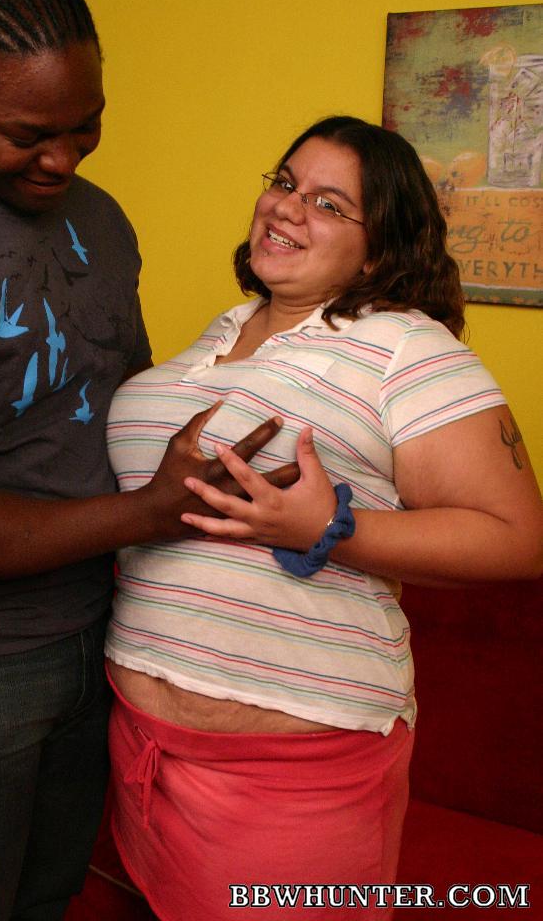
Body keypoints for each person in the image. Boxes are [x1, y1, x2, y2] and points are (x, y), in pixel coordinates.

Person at [0, 0, 291, 921]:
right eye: (29, 135)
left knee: (50, 894)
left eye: (85, 124)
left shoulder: (98, 218)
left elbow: (119, 401)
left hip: (102, 630)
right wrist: (148, 514)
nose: (64, 159)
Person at [105, 116, 543, 919]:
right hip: (144, 750)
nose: (286, 207)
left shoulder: (405, 346)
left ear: (377, 252)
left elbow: (518, 539)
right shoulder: (222, 334)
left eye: (328, 203)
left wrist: (329, 530)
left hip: (295, 776)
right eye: (284, 183)